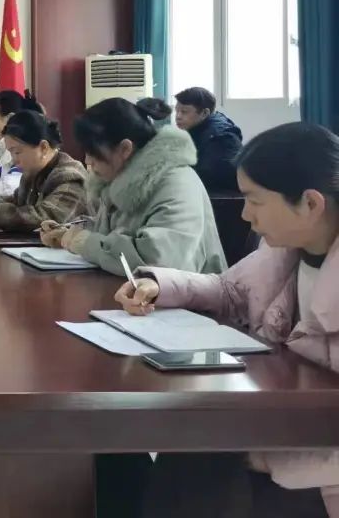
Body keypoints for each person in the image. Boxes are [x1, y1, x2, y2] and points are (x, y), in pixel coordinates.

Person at [110, 122, 339, 518]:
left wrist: (265, 458)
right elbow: (230, 290)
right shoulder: (286, 250)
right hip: (279, 423)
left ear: (310, 203)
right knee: (174, 449)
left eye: (255, 200)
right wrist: (158, 286)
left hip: (317, 474)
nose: (245, 214)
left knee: (199, 464)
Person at [41, 98, 226, 276]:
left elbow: (157, 261)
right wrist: (69, 233)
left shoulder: (177, 184)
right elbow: (112, 232)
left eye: (93, 153)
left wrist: (84, 242)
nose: (88, 161)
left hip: (187, 297)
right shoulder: (119, 177)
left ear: (125, 149)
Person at [0, 110, 87, 232]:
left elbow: (45, 216)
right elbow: (15, 202)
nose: (14, 160)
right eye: (11, 153)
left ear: (43, 147)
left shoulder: (70, 177)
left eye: (17, 152)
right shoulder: (32, 173)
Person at [174, 86, 244, 193]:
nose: (178, 116)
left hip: (223, 196)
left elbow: (207, 176)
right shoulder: (200, 127)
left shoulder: (219, 138)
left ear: (204, 113)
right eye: (177, 111)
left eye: (184, 112)